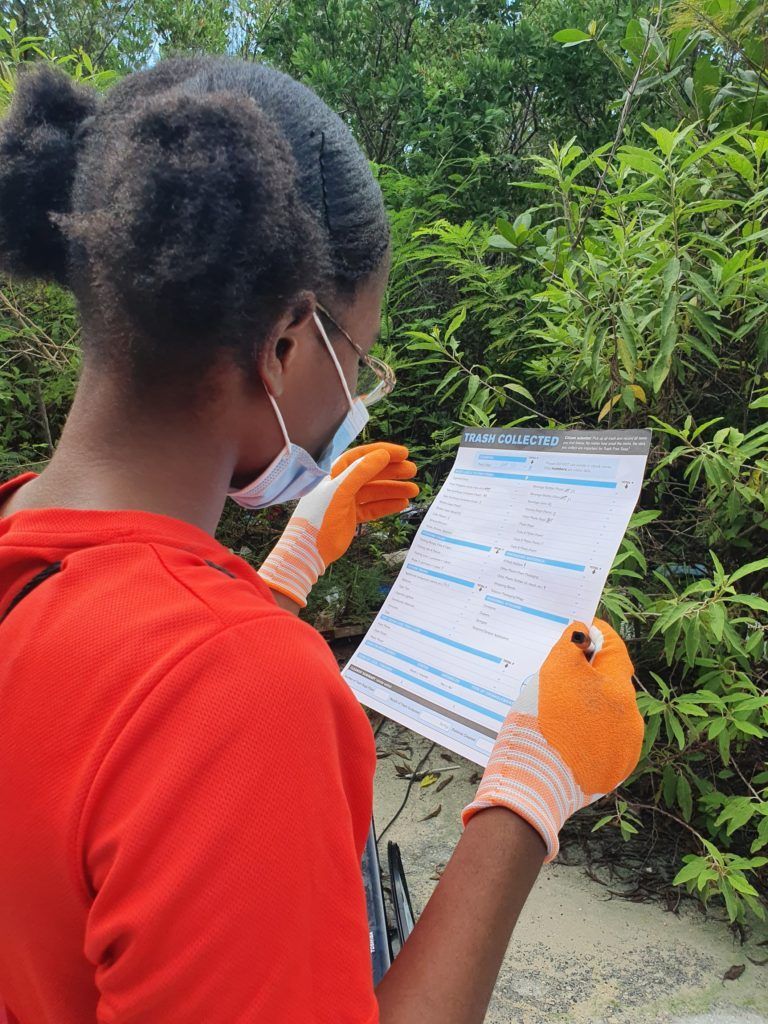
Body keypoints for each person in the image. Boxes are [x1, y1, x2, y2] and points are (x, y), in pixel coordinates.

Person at [0, 57, 644, 1024]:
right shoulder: (243, 695)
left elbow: (104, 715)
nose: (356, 395)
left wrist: (284, 571)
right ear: (287, 344)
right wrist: (528, 800)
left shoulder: (24, 547)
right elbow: (184, 711)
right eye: (358, 360)